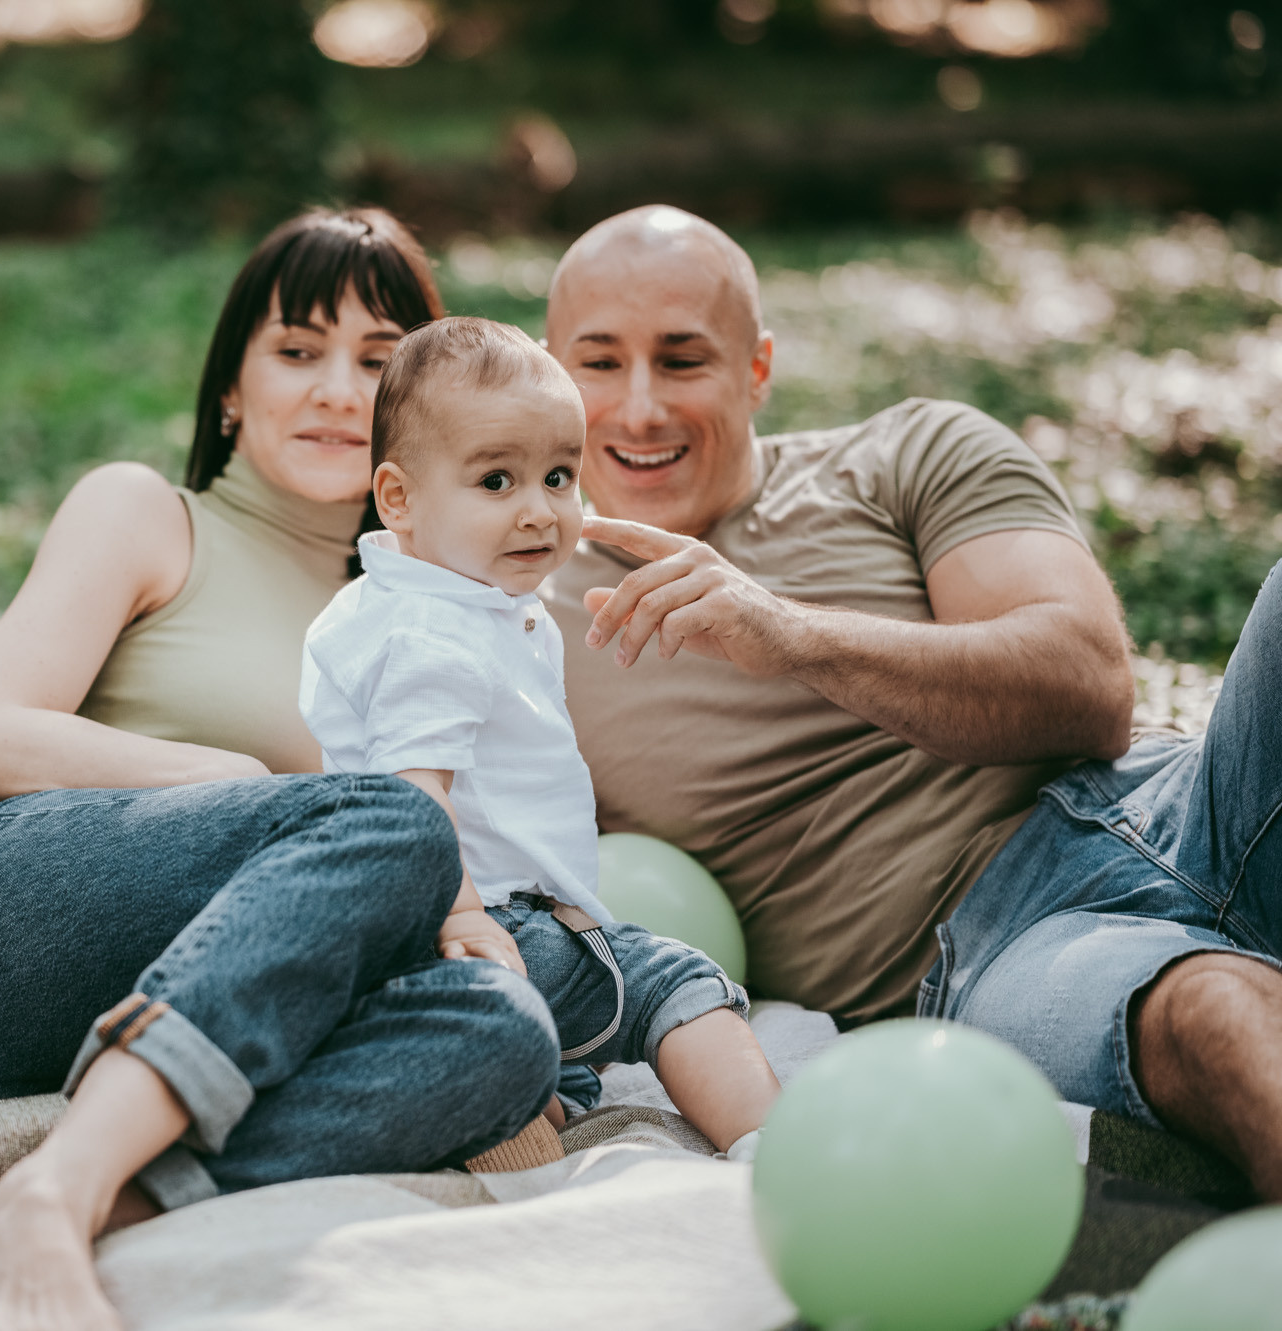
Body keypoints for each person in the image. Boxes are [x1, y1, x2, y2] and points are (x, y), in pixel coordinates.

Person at [0, 209, 571, 1331]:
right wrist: (234, 777)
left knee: (502, 1031)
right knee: (403, 824)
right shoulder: (150, 516)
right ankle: (57, 1184)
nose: (334, 390)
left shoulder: (439, 617)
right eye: (296, 351)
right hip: (40, 927)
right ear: (229, 390)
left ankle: (22, 1216)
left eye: (375, 361)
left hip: (247, 1001)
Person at [540, 203, 1282, 1199]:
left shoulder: (907, 453)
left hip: (1189, 802)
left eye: (681, 359)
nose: (638, 408)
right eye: (597, 362)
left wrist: (790, 635)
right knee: (1217, 1017)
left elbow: (1087, 686)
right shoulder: (519, 623)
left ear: (754, 368)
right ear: (549, 370)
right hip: (994, 954)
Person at [301, 316, 780, 1152]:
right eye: (496, 481)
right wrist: (461, 918)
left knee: (567, 1059)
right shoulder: (436, 633)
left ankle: (521, 1096)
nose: (538, 511)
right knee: (675, 982)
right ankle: (777, 1147)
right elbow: (411, 791)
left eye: (559, 476)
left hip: (429, 930)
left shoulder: (412, 600)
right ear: (399, 498)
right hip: (487, 921)